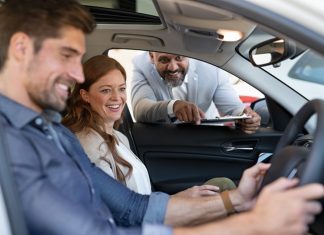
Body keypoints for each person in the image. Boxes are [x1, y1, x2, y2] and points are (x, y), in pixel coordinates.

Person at [0, 1, 323, 235]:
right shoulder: (10, 144)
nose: (75, 72)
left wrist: (237, 200)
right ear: (21, 48)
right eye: (67, 55)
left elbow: (131, 208)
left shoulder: (52, 132)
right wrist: (252, 225)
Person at [62, 55, 232, 195]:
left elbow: (141, 197)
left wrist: (185, 196)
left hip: (149, 214)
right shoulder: (89, 148)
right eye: (106, 90)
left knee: (223, 185)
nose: (117, 97)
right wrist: (178, 203)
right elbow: (122, 212)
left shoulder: (118, 136)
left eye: (121, 89)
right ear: (85, 95)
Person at [131, 52, 261, 133]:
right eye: (164, 60)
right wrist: (173, 106)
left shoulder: (211, 67)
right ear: (151, 57)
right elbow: (140, 109)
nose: (173, 67)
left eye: (179, 58)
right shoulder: (141, 66)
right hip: (166, 140)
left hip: (205, 135)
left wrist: (246, 117)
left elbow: (234, 108)